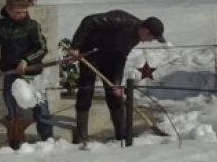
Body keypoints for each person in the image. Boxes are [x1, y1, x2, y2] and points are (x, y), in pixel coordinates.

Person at [67, 10, 166, 143]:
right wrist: (75, 46)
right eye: (151, 38)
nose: (150, 41)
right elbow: (89, 21)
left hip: (111, 58)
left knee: (115, 95)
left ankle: (122, 134)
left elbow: (121, 57)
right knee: (86, 90)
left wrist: (117, 82)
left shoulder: (136, 38)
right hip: (91, 53)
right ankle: (81, 135)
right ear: (146, 31)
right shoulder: (121, 20)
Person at [0, 0, 53, 144]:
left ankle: (47, 140)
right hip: (10, 72)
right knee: (13, 110)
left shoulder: (32, 26)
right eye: (18, 12)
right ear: (8, 9)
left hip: (32, 73)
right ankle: (16, 140)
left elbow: (41, 48)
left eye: (24, 11)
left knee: (41, 108)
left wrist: (26, 61)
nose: (22, 15)